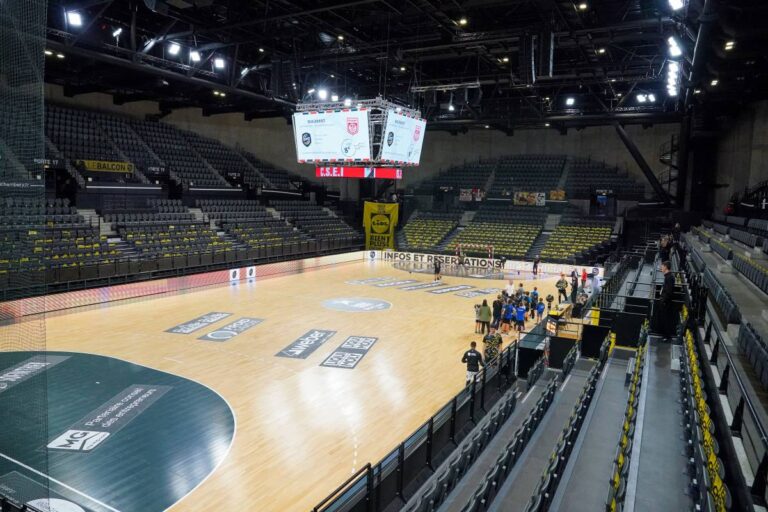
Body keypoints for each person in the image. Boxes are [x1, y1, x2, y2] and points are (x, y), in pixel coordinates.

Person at [660, 260, 678, 341]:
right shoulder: (667, 276)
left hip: (666, 302)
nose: (661, 267)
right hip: (665, 301)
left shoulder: (669, 277)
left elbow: (669, 291)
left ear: (666, 267)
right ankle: (665, 335)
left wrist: (663, 300)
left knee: (666, 319)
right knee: (664, 319)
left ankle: (667, 336)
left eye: (662, 266)